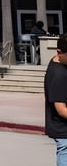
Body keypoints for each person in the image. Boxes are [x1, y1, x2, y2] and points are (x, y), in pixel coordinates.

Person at [45, 34, 67, 166]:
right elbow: (62, 110)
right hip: (64, 130)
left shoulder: (58, 61)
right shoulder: (59, 75)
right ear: (59, 53)